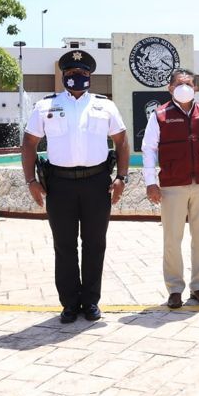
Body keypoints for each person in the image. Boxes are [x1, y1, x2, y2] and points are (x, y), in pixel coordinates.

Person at [22, 49, 130, 324]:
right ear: (62, 76)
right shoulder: (45, 106)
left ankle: (91, 301)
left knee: (95, 244)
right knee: (64, 245)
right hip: (59, 185)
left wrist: (122, 177)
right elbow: (29, 144)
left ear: (90, 76)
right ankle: (69, 304)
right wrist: (31, 181)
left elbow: (121, 140)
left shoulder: (104, 105)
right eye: (70, 73)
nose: (76, 77)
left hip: (97, 184)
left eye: (82, 73)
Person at [142, 68, 199, 307]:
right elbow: (148, 149)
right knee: (172, 239)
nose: (184, 87)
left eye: (189, 83)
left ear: (196, 88)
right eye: (179, 83)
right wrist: (151, 183)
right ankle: (175, 289)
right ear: (170, 88)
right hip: (172, 185)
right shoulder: (159, 115)